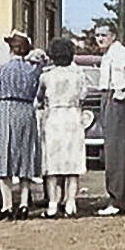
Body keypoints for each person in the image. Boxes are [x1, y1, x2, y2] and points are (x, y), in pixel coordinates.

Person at [0, 30, 43, 219]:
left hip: (5, 109)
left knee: (3, 154)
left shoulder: (1, 68)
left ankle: (6, 205)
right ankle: (23, 204)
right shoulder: (34, 69)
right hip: (26, 110)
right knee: (25, 155)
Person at [93, 23, 125, 216]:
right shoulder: (108, 54)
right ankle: (122, 200)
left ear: (113, 36)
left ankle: (118, 201)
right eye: (97, 35)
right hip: (107, 98)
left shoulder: (119, 51)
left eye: (104, 35)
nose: (100, 38)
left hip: (116, 100)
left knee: (115, 152)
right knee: (113, 152)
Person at [37, 37, 87, 217]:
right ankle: (70, 202)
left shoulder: (46, 76)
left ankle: (52, 204)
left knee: (52, 164)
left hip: (54, 118)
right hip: (72, 117)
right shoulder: (79, 75)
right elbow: (83, 96)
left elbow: (39, 99)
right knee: (72, 163)